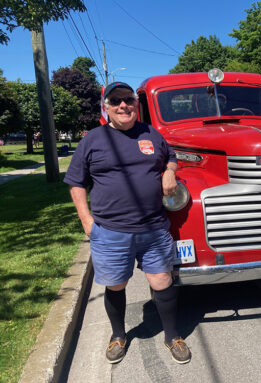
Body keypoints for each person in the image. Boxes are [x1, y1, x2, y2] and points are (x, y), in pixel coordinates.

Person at [64, 82, 191, 364]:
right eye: (116, 101)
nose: (124, 105)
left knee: (162, 281)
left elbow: (170, 156)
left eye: (129, 100)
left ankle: (172, 336)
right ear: (106, 107)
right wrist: (87, 221)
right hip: (110, 231)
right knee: (116, 285)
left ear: (136, 104)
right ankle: (119, 335)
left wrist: (170, 171)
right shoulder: (92, 139)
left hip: (154, 228)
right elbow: (75, 182)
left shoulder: (151, 133)